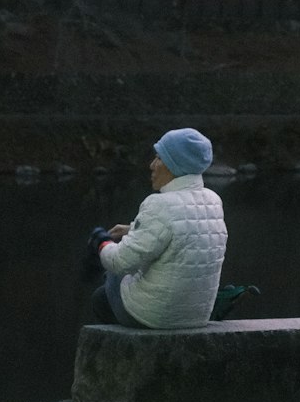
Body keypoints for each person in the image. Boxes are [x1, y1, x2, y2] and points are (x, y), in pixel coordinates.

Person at [89, 127, 227, 329]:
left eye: (159, 158)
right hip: (197, 316)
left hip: (155, 318)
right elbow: (186, 232)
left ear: (174, 165)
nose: (152, 165)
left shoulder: (159, 204)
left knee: (107, 284)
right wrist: (133, 229)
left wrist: (102, 242)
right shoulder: (213, 200)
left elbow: (120, 261)